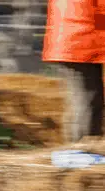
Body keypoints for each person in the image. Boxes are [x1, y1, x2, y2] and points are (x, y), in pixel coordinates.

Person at [43, 0, 105, 142]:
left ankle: (82, 149)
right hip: (78, 41)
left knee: (87, 99)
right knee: (87, 100)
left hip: (77, 40)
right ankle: (82, 151)